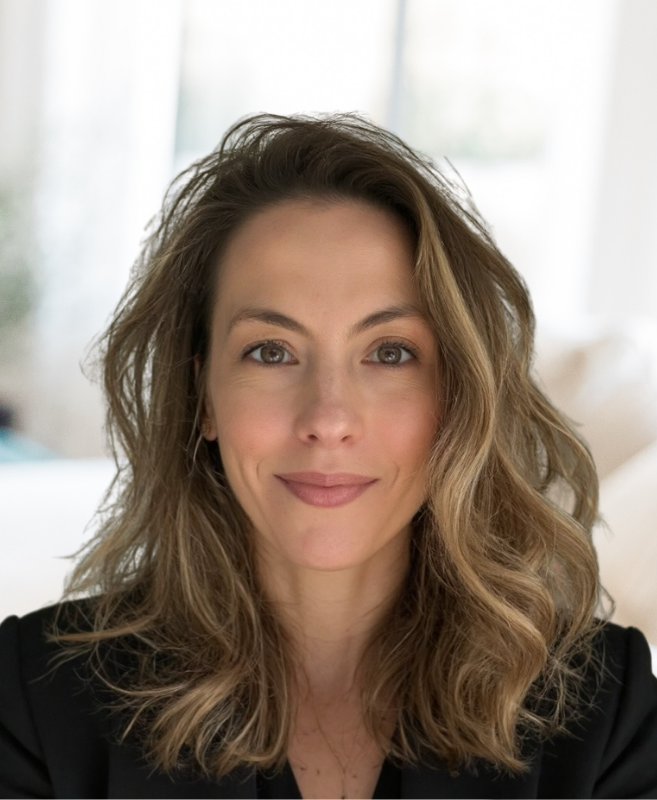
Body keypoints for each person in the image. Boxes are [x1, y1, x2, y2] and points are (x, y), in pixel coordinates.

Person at [1, 111, 656, 800]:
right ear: (203, 396)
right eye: (270, 351)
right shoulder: (36, 700)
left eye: (389, 353)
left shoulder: (603, 712)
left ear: (456, 396)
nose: (328, 418)